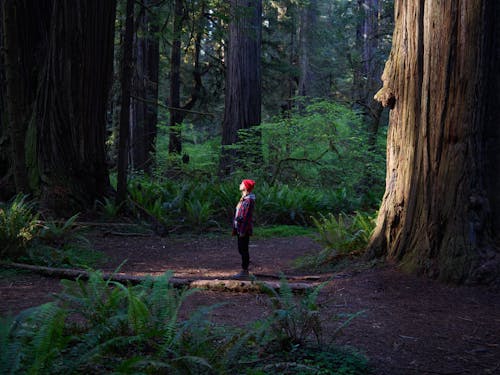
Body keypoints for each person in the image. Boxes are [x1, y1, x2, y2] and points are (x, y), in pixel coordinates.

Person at [232, 179, 256, 279]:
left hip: (243, 229)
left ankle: (244, 271)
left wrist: (242, 230)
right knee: (241, 249)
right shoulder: (244, 199)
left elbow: (246, 217)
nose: (240, 184)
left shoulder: (248, 200)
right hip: (240, 228)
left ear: (245, 187)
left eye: (241, 183)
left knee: (243, 249)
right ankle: (244, 269)